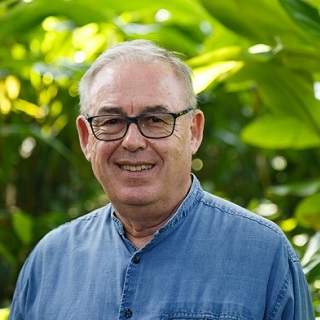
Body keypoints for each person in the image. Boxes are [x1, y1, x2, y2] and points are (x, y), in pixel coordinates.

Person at [10, 40, 314, 320]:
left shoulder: (262, 255)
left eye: (155, 120)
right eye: (112, 121)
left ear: (194, 132)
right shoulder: (49, 262)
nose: (132, 141)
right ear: (86, 137)